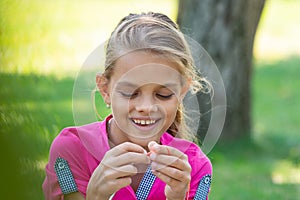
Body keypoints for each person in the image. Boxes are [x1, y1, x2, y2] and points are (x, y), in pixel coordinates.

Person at [43, 12, 212, 200]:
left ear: (181, 92)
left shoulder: (194, 167)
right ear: (105, 89)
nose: (146, 107)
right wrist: (96, 196)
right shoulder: (70, 150)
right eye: (130, 93)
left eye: (163, 95)